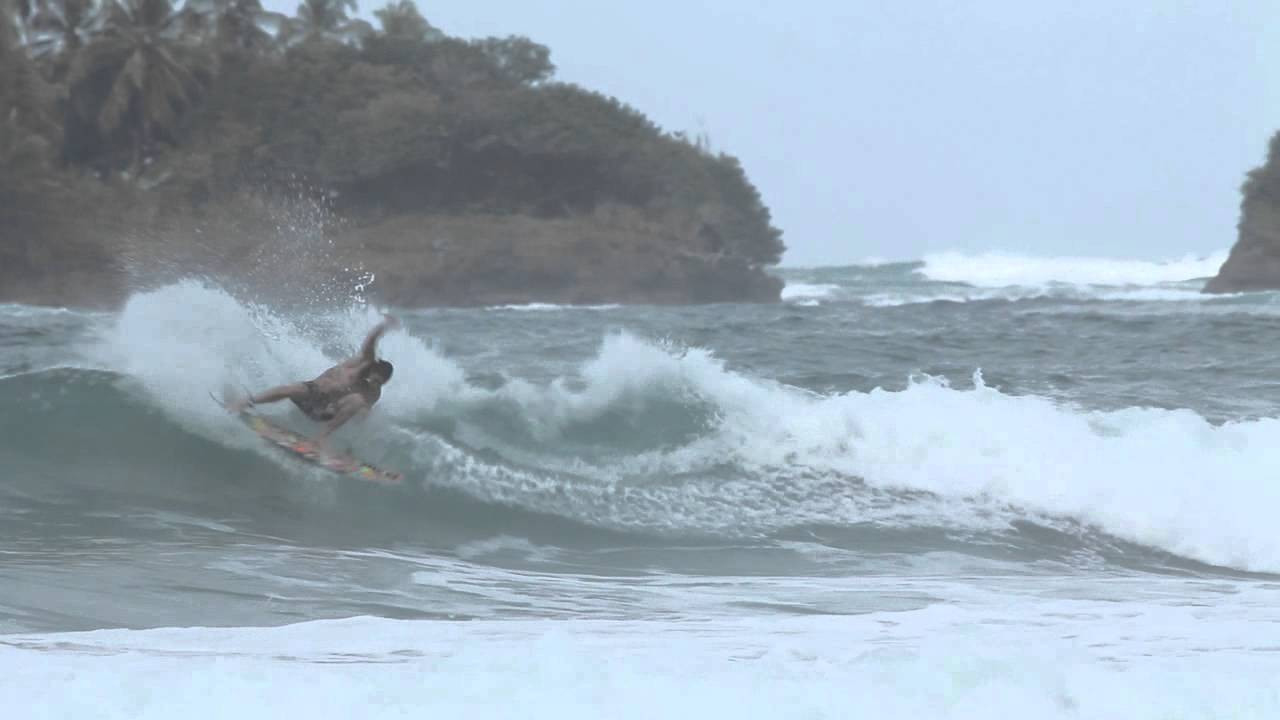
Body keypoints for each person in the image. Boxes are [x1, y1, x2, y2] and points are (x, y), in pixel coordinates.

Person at [231, 317, 399, 445]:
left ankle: (320, 439)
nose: (375, 383)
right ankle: (247, 402)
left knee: (357, 401)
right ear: (372, 369)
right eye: (375, 378)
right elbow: (369, 344)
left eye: (380, 382)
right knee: (290, 389)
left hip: (323, 412)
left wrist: (358, 421)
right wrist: (383, 327)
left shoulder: (372, 393)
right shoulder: (361, 363)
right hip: (311, 394)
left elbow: (360, 415)